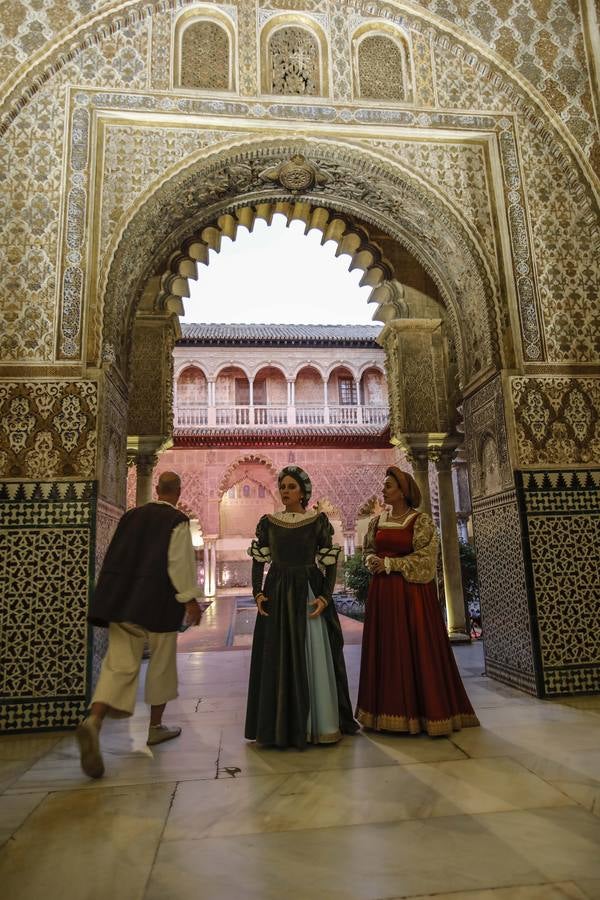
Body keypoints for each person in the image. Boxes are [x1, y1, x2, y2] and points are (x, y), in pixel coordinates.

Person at [75, 471, 204, 778]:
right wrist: (189, 599)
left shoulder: (131, 516)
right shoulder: (177, 521)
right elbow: (179, 562)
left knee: (117, 665)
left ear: (156, 489)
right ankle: (155, 727)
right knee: (161, 664)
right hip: (158, 604)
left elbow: (114, 557)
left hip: (124, 602)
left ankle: (94, 721)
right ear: (178, 492)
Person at [356, 466, 479, 737]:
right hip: (383, 596)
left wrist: (391, 563)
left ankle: (424, 714)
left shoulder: (420, 521)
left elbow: (427, 558)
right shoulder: (378, 521)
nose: (383, 490)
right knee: (387, 649)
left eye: (388, 486)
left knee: (414, 648)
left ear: (402, 491)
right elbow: (369, 549)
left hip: (411, 596)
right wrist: (372, 561)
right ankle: (385, 714)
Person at [245, 465, 358, 749]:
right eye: (282, 486)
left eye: (291, 486)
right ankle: (280, 727)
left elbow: (329, 562)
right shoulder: (269, 522)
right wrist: (258, 593)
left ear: (303, 491)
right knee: (279, 656)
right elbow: (259, 560)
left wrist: (324, 596)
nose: (286, 491)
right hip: (278, 593)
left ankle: (319, 725)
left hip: (308, 591)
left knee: (314, 655)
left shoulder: (317, 521)